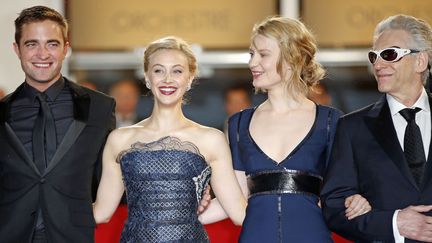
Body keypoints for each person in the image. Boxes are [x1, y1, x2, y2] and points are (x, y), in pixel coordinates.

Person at [227, 16, 371, 242]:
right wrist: (178, 208)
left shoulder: (331, 122)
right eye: (251, 54)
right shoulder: (238, 124)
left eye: (263, 54)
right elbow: (235, 199)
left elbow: (344, 192)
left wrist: (359, 198)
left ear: (292, 59)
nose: (252, 63)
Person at [93, 36, 246, 242]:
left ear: (190, 79)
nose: (167, 79)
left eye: (177, 71)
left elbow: (237, 213)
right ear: (147, 78)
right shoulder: (119, 139)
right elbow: (102, 212)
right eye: (158, 70)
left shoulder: (211, 139)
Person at [0, 5, 116, 243]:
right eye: (32, 44)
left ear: (65, 48)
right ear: (17, 49)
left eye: (52, 44)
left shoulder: (100, 108)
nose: (42, 54)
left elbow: (112, 175)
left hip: (73, 236)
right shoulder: (2, 112)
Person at [321, 14, 432, 243]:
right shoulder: (352, 128)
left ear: (421, 61)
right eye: (374, 56)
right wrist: (394, 223)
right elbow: (334, 208)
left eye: (389, 54)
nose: (378, 65)